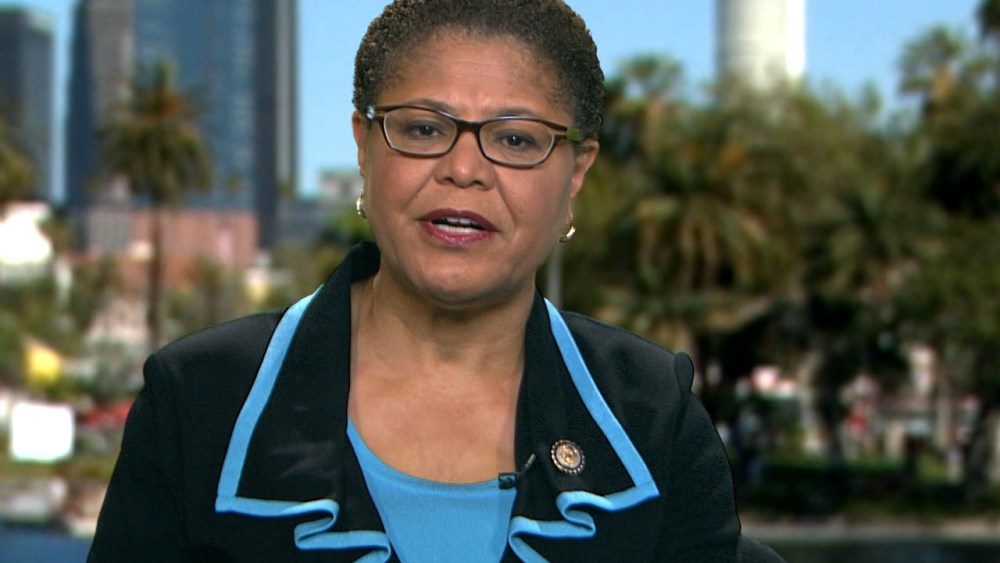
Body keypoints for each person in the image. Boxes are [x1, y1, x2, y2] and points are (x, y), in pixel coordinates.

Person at [88, 1, 783, 561]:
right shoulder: (199, 401)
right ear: (364, 148)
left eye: (515, 139)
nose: (464, 169)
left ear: (576, 173)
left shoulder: (652, 416)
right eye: (423, 129)